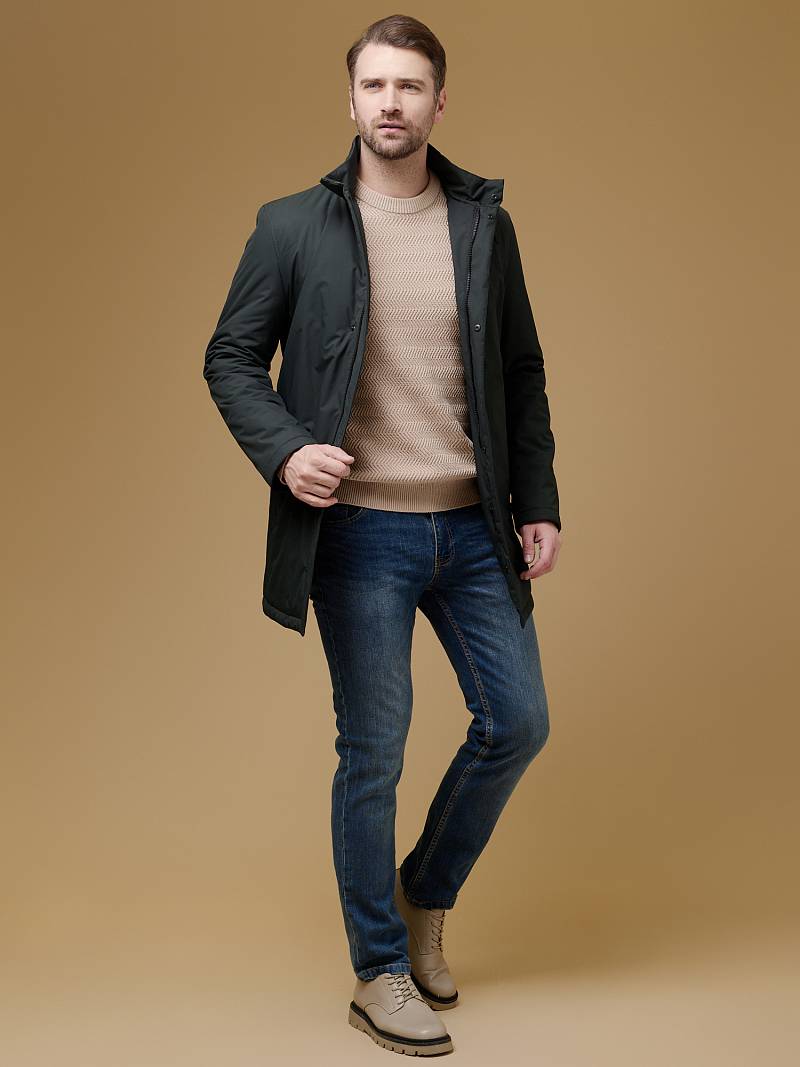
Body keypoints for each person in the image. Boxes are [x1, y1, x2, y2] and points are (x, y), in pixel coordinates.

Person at [204, 13, 563, 1057]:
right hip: (358, 534)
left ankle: (423, 893)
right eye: (374, 85)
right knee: (374, 751)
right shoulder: (291, 226)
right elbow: (230, 357)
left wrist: (537, 500)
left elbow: (521, 371)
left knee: (517, 721)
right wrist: (284, 450)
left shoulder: (483, 225)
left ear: (439, 103)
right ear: (351, 99)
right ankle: (378, 968)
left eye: (410, 86)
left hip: (473, 526)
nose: (391, 102)